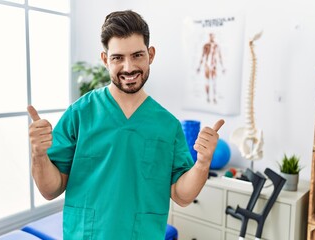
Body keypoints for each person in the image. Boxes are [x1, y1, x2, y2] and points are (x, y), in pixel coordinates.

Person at [27, 10, 224, 240]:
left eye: (137, 55)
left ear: (150, 54)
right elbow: (50, 189)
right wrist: (39, 155)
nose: (129, 67)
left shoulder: (167, 125)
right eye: (118, 58)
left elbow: (182, 196)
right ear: (105, 60)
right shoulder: (80, 114)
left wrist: (202, 163)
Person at [196, 32, 225, 104]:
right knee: (207, 81)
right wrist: (199, 66)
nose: (212, 37)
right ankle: (208, 97)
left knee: (214, 82)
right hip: (207, 65)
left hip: (214, 65)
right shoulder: (206, 45)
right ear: (209, 37)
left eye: (213, 36)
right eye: (211, 36)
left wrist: (222, 67)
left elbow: (220, 56)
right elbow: (202, 56)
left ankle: (214, 97)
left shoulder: (216, 46)